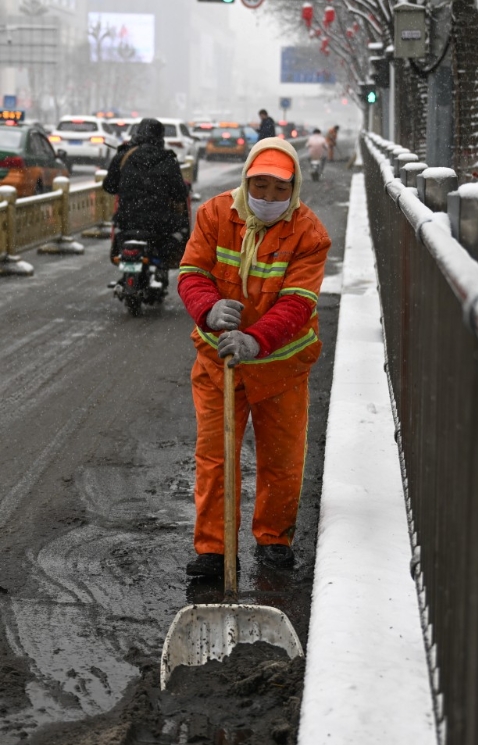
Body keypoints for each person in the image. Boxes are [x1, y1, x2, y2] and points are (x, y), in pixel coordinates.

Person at [177, 137, 331, 578]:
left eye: (279, 189)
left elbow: (297, 302)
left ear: (295, 187)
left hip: (281, 365)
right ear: (246, 180)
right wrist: (206, 307)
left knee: (281, 459)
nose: (267, 197)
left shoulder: (309, 233)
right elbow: (192, 272)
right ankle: (213, 549)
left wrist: (256, 340)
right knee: (215, 456)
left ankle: (273, 540)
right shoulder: (214, 214)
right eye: (259, 185)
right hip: (217, 362)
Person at [103, 117, 189, 283]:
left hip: (127, 219)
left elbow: (109, 186)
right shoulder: (167, 159)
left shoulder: (123, 156)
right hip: (159, 222)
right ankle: (161, 265)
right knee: (180, 231)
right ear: (161, 136)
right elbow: (179, 193)